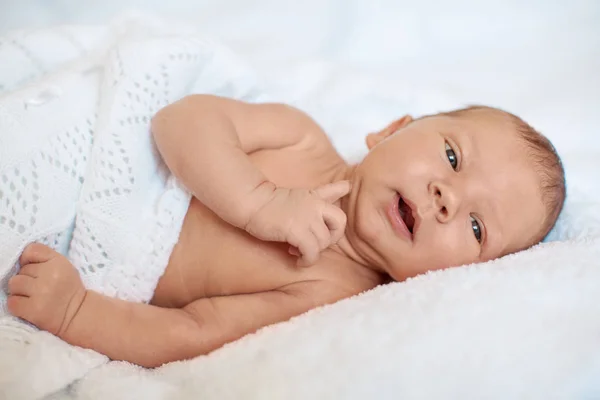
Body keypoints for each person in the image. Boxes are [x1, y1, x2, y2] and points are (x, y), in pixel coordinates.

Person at [6, 95, 565, 368]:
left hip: (65, 254)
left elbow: (192, 331)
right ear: (392, 129)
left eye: (475, 225)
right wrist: (260, 202)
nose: (448, 196)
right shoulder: (301, 140)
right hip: (80, 159)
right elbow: (178, 121)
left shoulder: (330, 295)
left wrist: (76, 312)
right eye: (451, 154)